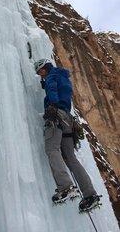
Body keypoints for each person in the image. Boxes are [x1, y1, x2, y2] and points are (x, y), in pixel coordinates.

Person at [34, 58, 100, 212]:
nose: (41, 75)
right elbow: (62, 91)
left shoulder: (51, 77)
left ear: (46, 68)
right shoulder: (62, 76)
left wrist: (52, 106)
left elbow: (52, 90)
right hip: (67, 118)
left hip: (56, 115)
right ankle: (90, 195)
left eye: (41, 71)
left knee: (52, 149)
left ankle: (66, 187)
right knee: (70, 157)